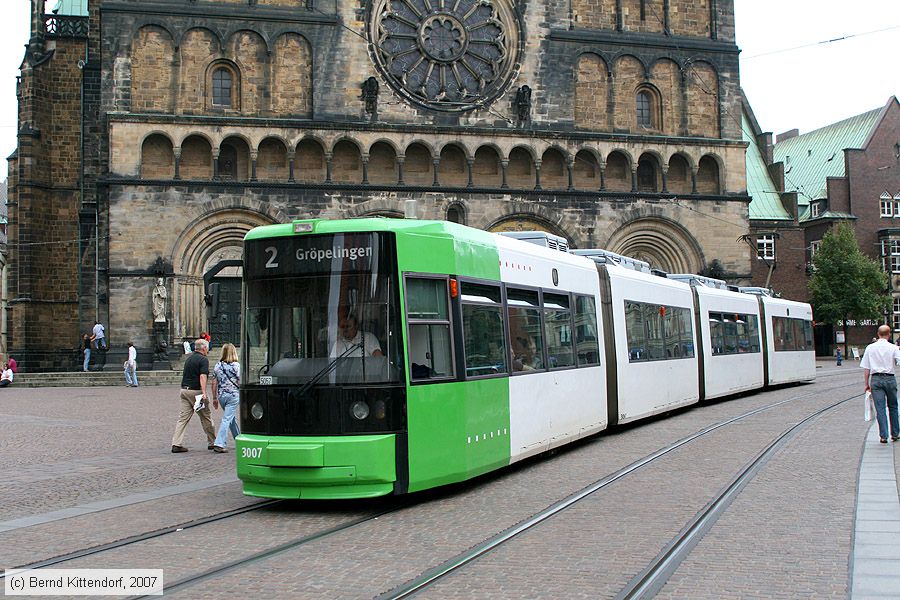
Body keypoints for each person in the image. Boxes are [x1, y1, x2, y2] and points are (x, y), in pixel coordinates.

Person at [170, 338, 216, 453]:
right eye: (207, 348)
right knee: (206, 417)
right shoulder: (203, 360)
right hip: (197, 394)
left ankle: (176, 443)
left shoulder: (189, 359)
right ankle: (213, 442)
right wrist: (204, 393)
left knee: (182, 419)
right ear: (204, 348)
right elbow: (202, 376)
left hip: (184, 391)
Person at [860, 324, 900, 443]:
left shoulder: (870, 348)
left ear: (878, 334)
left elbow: (866, 368)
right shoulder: (893, 347)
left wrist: (866, 384)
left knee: (880, 408)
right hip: (890, 378)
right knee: (893, 406)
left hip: (876, 379)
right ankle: (895, 433)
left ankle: (883, 435)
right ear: (888, 335)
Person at [210, 343, 241, 453]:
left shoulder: (218, 365)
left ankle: (239, 440)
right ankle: (219, 443)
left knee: (231, 418)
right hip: (233, 395)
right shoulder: (236, 366)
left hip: (222, 396)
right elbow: (239, 381)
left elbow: (214, 383)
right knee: (227, 418)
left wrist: (214, 398)